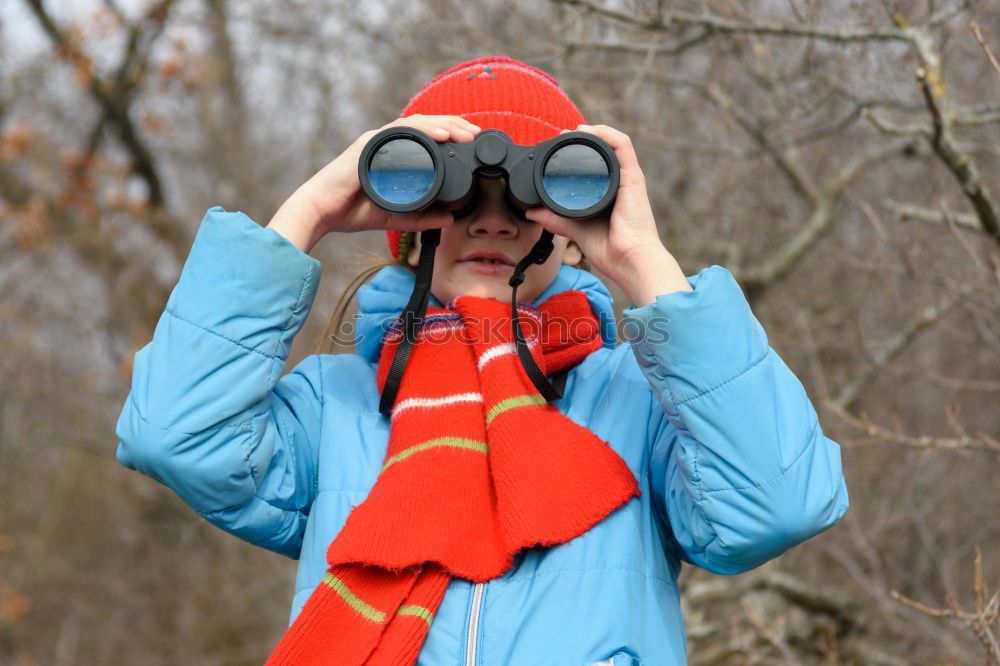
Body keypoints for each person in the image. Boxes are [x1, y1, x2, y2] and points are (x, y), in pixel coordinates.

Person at [114, 56, 849, 665]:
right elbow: (174, 435)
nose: (492, 219)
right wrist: (308, 212)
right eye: (457, 193)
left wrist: (645, 261)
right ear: (407, 217)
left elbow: (778, 502)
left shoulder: (639, 402)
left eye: (528, 198)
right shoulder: (336, 404)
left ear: (571, 222)